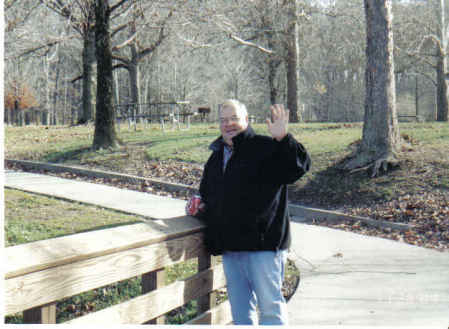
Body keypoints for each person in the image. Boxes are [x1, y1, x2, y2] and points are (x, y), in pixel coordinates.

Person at [186, 99, 311, 325]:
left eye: (234, 118)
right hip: (231, 250)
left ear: (246, 119)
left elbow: (297, 168)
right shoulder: (216, 157)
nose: (229, 124)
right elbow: (210, 195)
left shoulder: (265, 147)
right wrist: (200, 205)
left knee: (271, 311)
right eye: (224, 120)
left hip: (263, 247)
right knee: (241, 315)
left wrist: (284, 138)